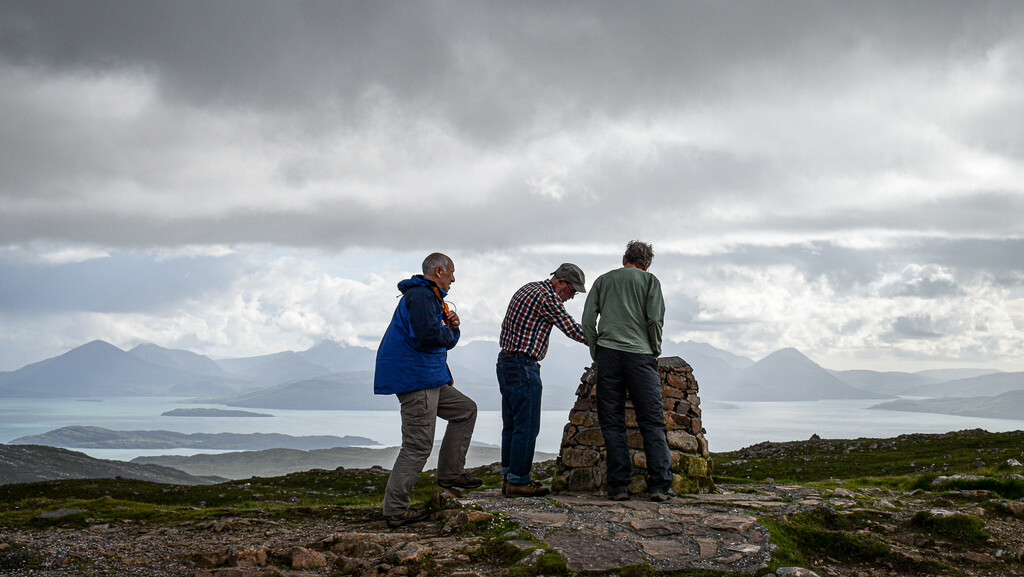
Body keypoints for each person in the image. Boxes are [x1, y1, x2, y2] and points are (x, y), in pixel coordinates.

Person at [374, 252, 481, 527]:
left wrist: (450, 328)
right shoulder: (421, 296)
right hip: (417, 380)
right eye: (451, 273)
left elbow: (435, 334)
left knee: (465, 410)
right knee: (418, 445)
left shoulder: (428, 296)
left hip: (429, 378)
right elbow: (428, 336)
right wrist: (452, 332)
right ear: (437, 271)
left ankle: (450, 474)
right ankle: (395, 509)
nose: (453, 279)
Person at [581, 240, 674, 502]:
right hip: (640, 356)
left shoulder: (603, 280)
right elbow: (655, 319)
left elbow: (588, 321)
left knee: (612, 422)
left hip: (608, 355)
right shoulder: (650, 281)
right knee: (652, 421)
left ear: (625, 259)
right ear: (646, 264)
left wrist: (596, 350)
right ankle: (660, 486)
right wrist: (653, 348)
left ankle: (619, 486)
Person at [497, 263, 588, 497]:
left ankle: (509, 477)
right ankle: (518, 480)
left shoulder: (529, 288)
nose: (572, 296)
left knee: (513, 425)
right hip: (523, 365)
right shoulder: (548, 298)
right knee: (527, 426)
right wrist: (603, 340)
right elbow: (572, 330)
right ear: (560, 283)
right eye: (572, 291)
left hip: (506, 362)